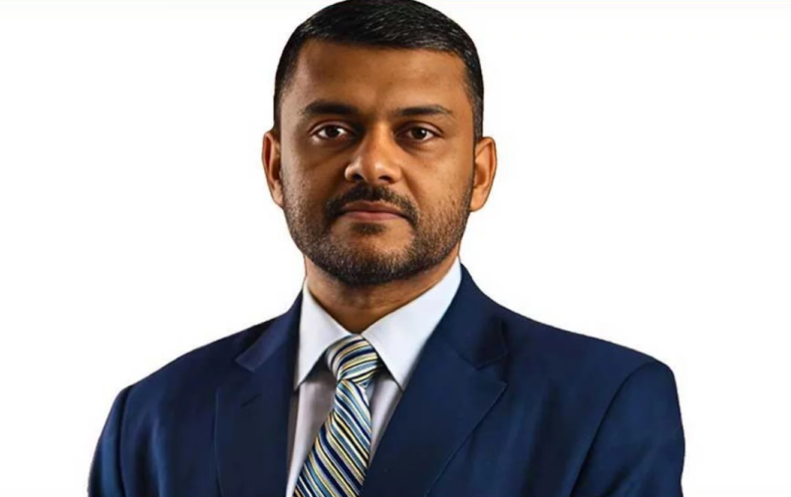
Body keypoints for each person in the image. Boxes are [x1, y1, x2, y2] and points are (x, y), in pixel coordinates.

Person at [88, 0, 685, 495]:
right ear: (275, 167)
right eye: (331, 130)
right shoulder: (153, 419)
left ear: (479, 174)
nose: (371, 164)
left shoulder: (606, 405)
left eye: (418, 133)